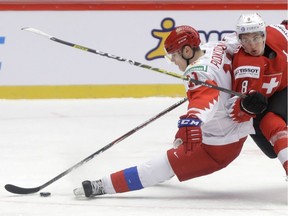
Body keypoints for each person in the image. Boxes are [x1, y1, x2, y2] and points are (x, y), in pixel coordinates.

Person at [73, 25, 256, 198]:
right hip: (234, 130)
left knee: (161, 166)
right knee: (177, 145)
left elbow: (204, 98)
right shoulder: (217, 46)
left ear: (187, 51)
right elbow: (242, 37)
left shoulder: (197, 73)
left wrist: (193, 119)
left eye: (174, 56)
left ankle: (101, 186)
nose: (174, 62)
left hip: (218, 147)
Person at [224, 13, 288, 176]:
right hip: (261, 107)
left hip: (283, 90)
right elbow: (235, 113)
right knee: (272, 150)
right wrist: (245, 106)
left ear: (264, 34)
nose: (252, 45)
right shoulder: (245, 67)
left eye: (256, 38)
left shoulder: (279, 34)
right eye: (245, 40)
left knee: (271, 121)